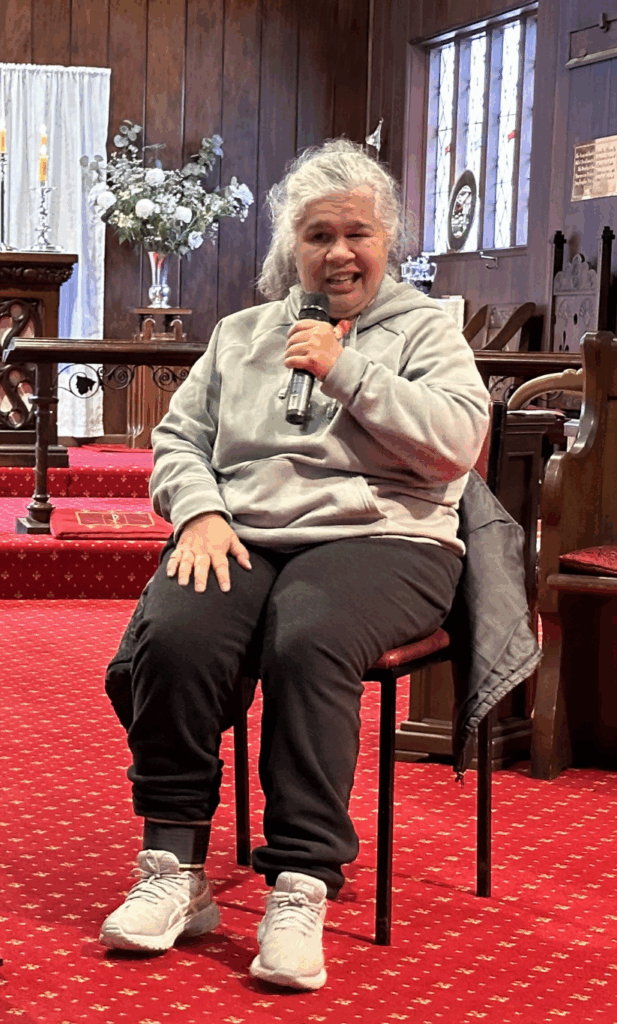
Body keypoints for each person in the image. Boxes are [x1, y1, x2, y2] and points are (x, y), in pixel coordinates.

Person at [99, 138, 491, 990]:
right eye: (318, 234)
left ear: (385, 239)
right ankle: (174, 868)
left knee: (308, 638)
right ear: (291, 247)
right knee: (177, 633)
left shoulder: (426, 329)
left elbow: (460, 441)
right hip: (245, 533)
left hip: (386, 538)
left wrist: (347, 369)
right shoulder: (242, 334)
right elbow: (177, 439)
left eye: (356, 232)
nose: (338, 252)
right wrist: (197, 508)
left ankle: (300, 881)